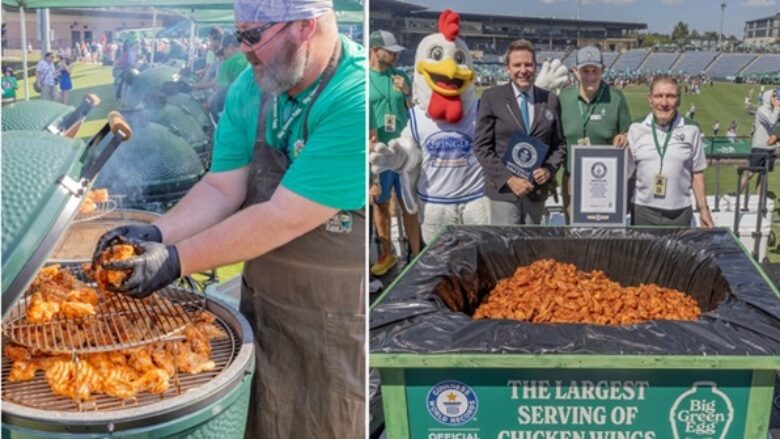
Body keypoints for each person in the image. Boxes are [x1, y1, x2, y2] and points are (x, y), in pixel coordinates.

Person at [92, 1, 364, 437]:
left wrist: (174, 260)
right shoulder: (250, 87)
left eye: (253, 36)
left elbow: (282, 217)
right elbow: (222, 187)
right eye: (238, 35)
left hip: (335, 321)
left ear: (305, 27)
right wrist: (158, 232)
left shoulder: (354, 96)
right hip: (262, 303)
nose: (243, 50)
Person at [473, 39, 566, 225]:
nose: (523, 70)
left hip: (536, 191)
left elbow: (559, 145)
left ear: (535, 67)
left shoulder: (550, 100)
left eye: (528, 64)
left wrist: (548, 169)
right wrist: (509, 179)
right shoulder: (492, 97)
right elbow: (482, 147)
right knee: (506, 249)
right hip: (504, 192)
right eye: (517, 65)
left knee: (532, 248)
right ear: (507, 68)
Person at [626, 75, 713, 227]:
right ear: (650, 99)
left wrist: (704, 210)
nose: (664, 103)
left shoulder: (692, 129)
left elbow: (697, 173)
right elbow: (626, 175)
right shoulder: (635, 128)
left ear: (678, 100)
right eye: (658, 96)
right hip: (643, 210)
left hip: (679, 212)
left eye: (670, 96)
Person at [367, 29, 420, 276]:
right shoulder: (364, 79)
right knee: (381, 203)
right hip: (380, 152)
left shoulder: (399, 76)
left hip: (405, 150)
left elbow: (416, 110)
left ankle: (416, 253)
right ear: (375, 51)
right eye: (391, 52)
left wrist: (407, 93)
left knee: (409, 203)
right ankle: (386, 254)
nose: (396, 57)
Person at [558, 45, 631, 221]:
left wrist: (625, 136)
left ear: (603, 70)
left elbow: (629, 131)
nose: (590, 77)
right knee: (574, 234)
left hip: (606, 181)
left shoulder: (616, 98)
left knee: (605, 235)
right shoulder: (563, 99)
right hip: (572, 181)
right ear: (575, 71)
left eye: (595, 71)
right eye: (585, 71)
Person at [740, 89, 780, 194]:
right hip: (759, 146)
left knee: (763, 175)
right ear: (767, 97)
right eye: (773, 96)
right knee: (750, 173)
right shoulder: (762, 110)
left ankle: (758, 200)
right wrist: (777, 108)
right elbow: (772, 121)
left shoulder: (774, 110)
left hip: (770, 148)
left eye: (776, 96)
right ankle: (737, 195)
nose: (776, 98)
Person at [208, 34, 248, 121]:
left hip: (237, 105)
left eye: (224, 51)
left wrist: (208, 102)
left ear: (230, 47)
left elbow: (220, 88)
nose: (224, 54)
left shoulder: (228, 63)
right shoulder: (251, 56)